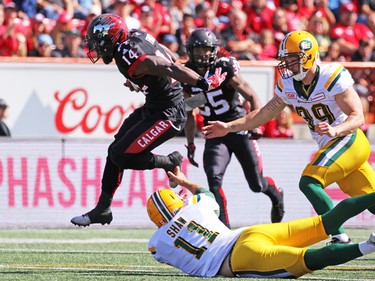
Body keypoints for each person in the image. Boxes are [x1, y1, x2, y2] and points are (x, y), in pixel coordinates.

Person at [202, 30, 375, 244]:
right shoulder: (288, 84)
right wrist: (229, 126)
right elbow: (265, 113)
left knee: (310, 182)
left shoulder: (331, 75)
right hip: (334, 145)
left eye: (293, 59)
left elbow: (358, 117)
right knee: (370, 199)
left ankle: (339, 236)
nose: (288, 65)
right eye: (286, 59)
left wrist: (335, 130)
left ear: (309, 56)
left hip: (348, 140)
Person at [70, 14, 226, 227]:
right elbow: (166, 54)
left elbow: (168, 67)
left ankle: (169, 162)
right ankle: (103, 209)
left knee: (120, 155)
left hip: (168, 113)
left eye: (98, 42)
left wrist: (203, 83)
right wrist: (145, 82)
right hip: (156, 105)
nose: (96, 47)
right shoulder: (135, 36)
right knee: (115, 150)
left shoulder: (127, 54)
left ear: (111, 38)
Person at [147, 166, 375, 278]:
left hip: (238, 259)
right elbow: (205, 191)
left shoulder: (157, 245)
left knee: (308, 259)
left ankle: (370, 245)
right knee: (325, 223)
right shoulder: (196, 205)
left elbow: (165, 248)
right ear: (177, 202)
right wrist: (185, 182)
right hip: (248, 234)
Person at [182, 28, 284, 228]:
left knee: (256, 184)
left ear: (213, 51)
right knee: (214, 179)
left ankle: (276, 195)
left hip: (237, 128)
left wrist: (256, 126)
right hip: (213, 132)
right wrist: (190, 142)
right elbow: (189, 112)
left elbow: (252, 97)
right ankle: (224, 231)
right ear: (189, 51)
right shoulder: (186, 75)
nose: (202, 55)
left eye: (205, 50)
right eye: (197, 50)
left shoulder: (224, 69)